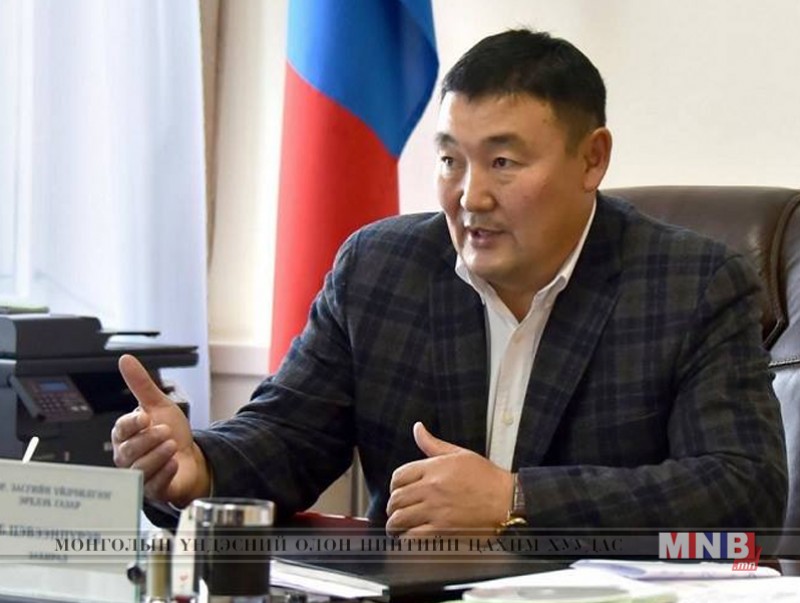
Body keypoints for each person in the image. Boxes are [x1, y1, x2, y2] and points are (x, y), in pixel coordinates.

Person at [112, 29, 787, 535]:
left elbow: (742, 485)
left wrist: (515, 500)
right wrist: (199, 465)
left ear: (592, 159)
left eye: (502, 162)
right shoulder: (381, 269)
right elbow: (289, 434)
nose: (470, 196)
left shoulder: (692, 284)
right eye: (449, 160)